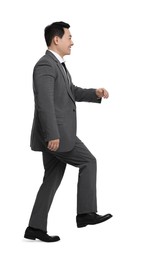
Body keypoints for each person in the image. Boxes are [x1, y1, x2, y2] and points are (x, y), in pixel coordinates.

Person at [24, 21, 112, 243]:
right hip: (57, 135)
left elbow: (70, 91)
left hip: (56, 134)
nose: (72, 41)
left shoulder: (59, 66)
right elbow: (44, 103)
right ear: (57, 39)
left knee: (52, 178)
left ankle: (34, 228)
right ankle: (85, 214)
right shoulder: (45, 65)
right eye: (69, 37)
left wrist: (95, 93)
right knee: (89, 162)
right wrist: (52, 134)